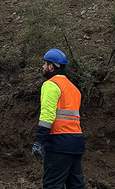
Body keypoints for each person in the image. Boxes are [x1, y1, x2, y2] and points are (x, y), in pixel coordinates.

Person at [32, 48, 86, 189]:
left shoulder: (51, 85)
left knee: (52, 186)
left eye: (44, 64)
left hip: (58, 144)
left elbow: (47, 116)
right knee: (76, 186)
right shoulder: (74, 88)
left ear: (51, 66)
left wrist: (39, 141)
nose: (43, 67)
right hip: (76, 143)